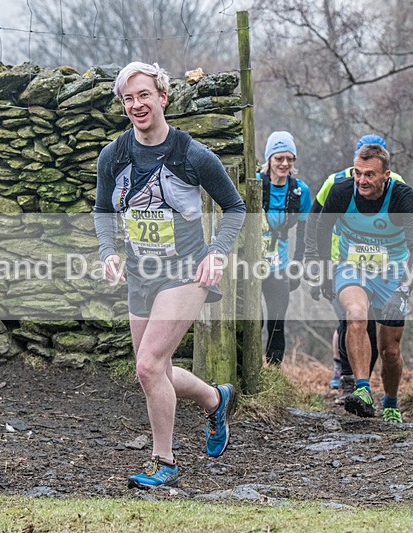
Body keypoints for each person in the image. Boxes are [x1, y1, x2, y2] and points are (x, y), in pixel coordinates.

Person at [93, 62, 246, 488]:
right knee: (153, 370)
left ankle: (165, 462)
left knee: (148, 366)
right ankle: (214, 399)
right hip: (141, 274)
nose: (136, 104)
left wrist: (216, 253)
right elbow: (103, 210)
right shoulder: (113, 155)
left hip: (186, 272)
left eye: (144, 95)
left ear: (162, 97)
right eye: (128, 98)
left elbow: (235, 208)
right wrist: (108, 250)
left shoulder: (192, 155)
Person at [307, 144, 413, 423]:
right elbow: (321, 229)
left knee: (390, 350)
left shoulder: (402, 197)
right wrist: (324, 272)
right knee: (356, 315)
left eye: (370, 175)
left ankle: (392, 403)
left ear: (386, 175)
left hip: (392, 273)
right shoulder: (341, 191)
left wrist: (402, 292)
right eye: (358, 173)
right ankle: (362, 390)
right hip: (352, 267)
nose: (361, 180)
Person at [258, 132, 312, 365]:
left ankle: (273, 369)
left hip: (279, 265)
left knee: (277, 321)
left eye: (289, 159)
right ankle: (250, 367)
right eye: (279, 158)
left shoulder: (300, 191)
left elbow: (303, 233)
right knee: (253, 320)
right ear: (269, 159)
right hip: (251, 263)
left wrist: (297, 265)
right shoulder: (256, 184)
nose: (284, 164)